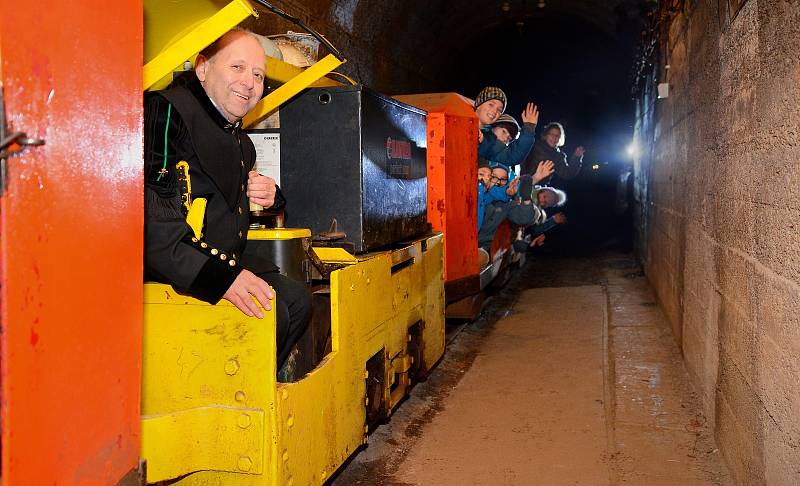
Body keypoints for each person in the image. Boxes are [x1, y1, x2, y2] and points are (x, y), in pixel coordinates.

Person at [143, 29, 310, 371]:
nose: (249, 83)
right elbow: (151, 224)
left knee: (298, 301)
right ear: (203, 68)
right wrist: (224, 280)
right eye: (237, 67)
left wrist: (273, 198)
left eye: (258, 74)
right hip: (172, 270)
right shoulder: (166, 112)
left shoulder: (241, 144)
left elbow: (230, 207)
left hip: (220, 262)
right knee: (270, 311)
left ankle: (256, 392)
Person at [520, 122, 585, 186]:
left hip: (539, 189)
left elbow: (567, 173)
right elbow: (521, 159)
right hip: (522, 182)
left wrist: (577, 157)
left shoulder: (558, 156)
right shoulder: (534, 146)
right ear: (545, 135)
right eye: (551, 134)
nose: (554, 137)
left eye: (557, 136)